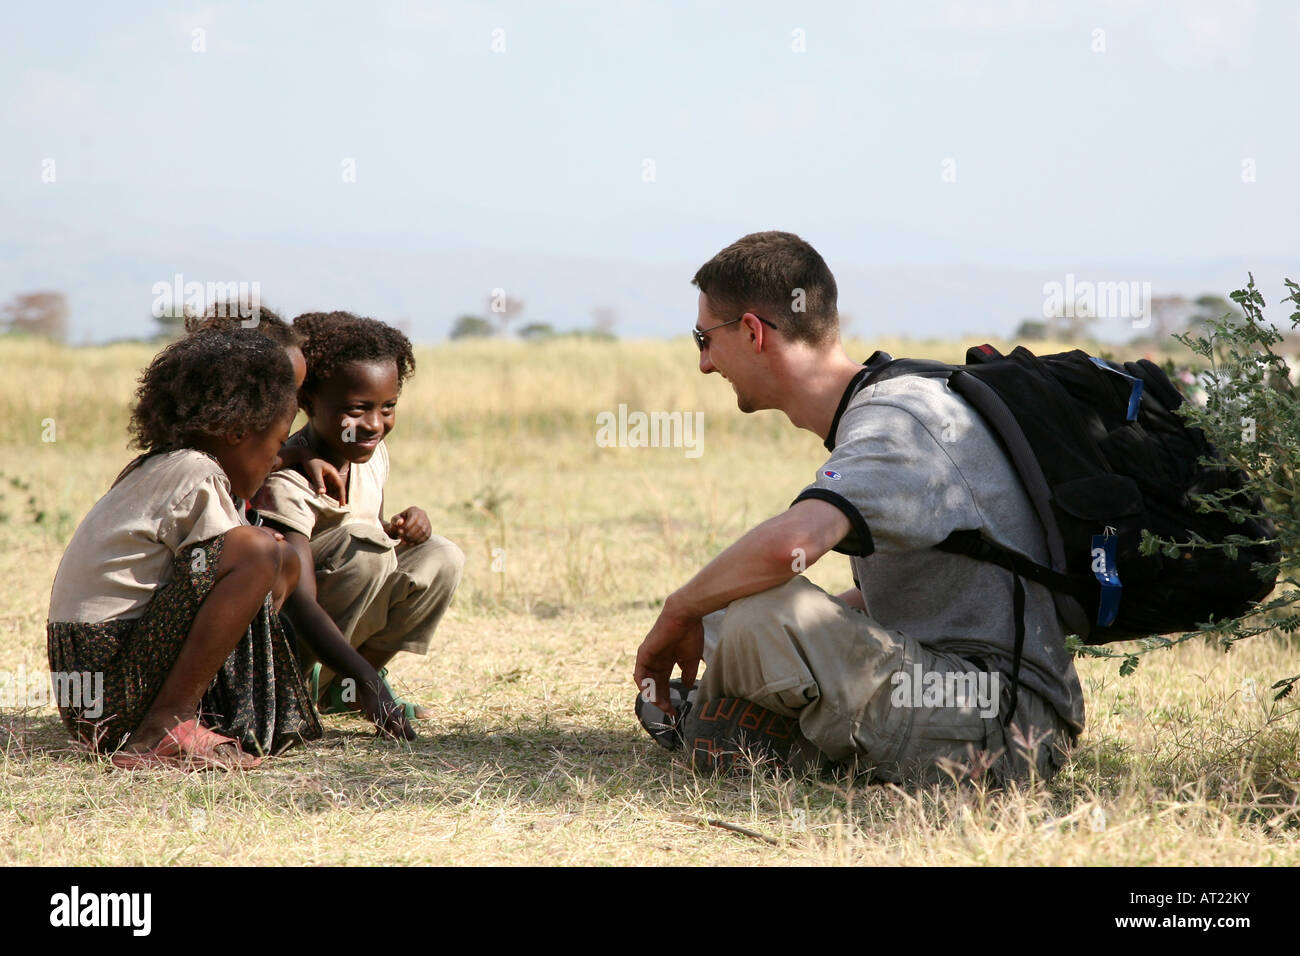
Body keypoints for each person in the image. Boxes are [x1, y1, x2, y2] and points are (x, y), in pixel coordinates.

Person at [632, 231, 1085, 786]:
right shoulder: (893, 402)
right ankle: (733, 724)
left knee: (754, 612)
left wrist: (677, 610)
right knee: (730, 604)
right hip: (942, 676)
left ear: (751, 331)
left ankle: (730, 726)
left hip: (1007, 721)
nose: (703, 363)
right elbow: (918, 591)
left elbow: (788, 547)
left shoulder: (896, 421)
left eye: (704, 338)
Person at [46, 327, 321, 770]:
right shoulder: (196, 472)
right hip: (110, 674)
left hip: (90, 692)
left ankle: (178, 722)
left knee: (266, 554)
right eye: (278, 440)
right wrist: (273, 555)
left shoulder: (156, 464)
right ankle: (164, 729)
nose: (277, 459)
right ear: (235, 431)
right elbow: (252, 560)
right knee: (258, 551)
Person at [254, 311, 464, 735]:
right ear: (308, 403)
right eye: (357, 410)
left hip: (344, 605)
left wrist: (402, 526)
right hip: (289, 638)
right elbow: (298, 598)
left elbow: (369, 526)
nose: (374, 424)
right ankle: (296, 690)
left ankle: (341, 689)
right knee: (364, 549)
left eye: (388, 408)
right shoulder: (289, 480)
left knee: (440, 555)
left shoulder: (371, 457)